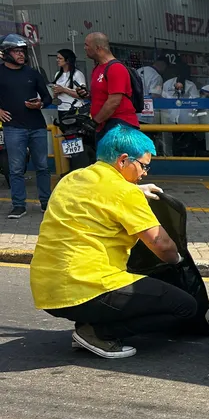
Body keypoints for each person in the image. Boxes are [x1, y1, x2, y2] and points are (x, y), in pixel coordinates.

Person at [29, 124, 198, 359]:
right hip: (88, 286)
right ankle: (97, 332)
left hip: (47, 289)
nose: (145, 173)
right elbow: (162, 244)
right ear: (123, 160)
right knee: (185, 306)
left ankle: (91, 321)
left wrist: (136, 188)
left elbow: (102, 193)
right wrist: (178, 261)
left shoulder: (72, 178)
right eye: (143, 166)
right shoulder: (124, 193)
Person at [0, 34, 53, 219]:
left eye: (22, 51)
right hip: (13, 128)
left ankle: (46, 202)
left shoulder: (32, 73)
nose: (21, 54)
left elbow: (47, 97)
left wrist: (40, 104)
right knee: (15, 169)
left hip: (37, 126)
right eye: (16, 51)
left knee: (43, 167)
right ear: (6, 53)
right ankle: (18, 205)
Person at [82, 32, 139, 142]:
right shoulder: (97, 68)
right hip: (103, 125)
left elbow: (114, 102)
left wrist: (94, 122)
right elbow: (100, 97)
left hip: (119, 125)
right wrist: (86, 95)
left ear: (98, 48)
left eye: (87, 45)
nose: (85, 48)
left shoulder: (116, 68)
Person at [51, 48, 88, 118]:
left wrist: (63, 90)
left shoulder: (77, 74)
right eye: (57, 58)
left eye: (60, 58)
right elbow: (55, 96)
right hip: (61, 108)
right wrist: (55, 92)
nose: (57, 60)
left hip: (75, 108)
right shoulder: (57, 74)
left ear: (67, 60)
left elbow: (83, 95)